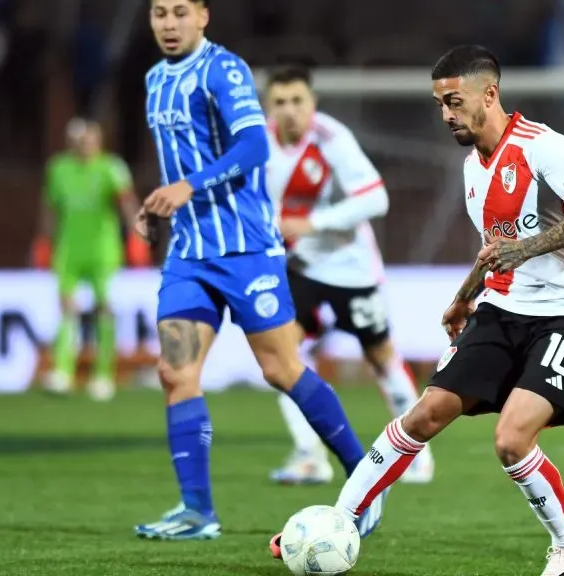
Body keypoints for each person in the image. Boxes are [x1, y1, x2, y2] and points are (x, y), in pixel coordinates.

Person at [270, 45, 564, 576]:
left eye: (454, 102)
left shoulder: (542, 146)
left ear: (489, 94)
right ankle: (339, 520)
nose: (446, 115)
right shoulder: (472, 167)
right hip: (502, 307)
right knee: (423, 414)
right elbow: (494, 246)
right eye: (439, 105)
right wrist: (465, 294)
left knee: (511, 439)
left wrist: (524, 250)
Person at [133, 0, 385, 541]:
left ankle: (366, 479)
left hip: (246, 248)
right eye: (159, 13)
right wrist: (159, 205)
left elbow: (253, 147)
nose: (169, 24)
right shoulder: (155, 80)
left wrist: (189, 187)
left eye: (180, 12)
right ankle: (197, 511)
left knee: (281, 368)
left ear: (203, 15)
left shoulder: (225, 70)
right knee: (175, 373)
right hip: (189, 254)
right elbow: (180, 161)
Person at [263, 64, 434, 486]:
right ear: (269, 106)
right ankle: (310, 456)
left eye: (298, 101)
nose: (290, 110)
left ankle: (416, 454)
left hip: (349, 269)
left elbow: (376, 199)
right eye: (280, 102)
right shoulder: (259, 142)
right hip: (300, 267)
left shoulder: (332, 139)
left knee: (380, 356)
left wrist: (314, 222)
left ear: (313, 103)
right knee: (281, 356)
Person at [34, 118, 145, 402]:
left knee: (103, 309)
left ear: (98, 140)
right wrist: (44, 240)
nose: (84, 145)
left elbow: (127, 203)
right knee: (67, 308)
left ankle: (103, 374)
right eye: (79, 140)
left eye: (89, 140)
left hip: (102, 249)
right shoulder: (59, 169)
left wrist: (137, 237)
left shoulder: (111, 167)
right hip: (69, 248)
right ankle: (62, 372)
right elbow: (50, 207)